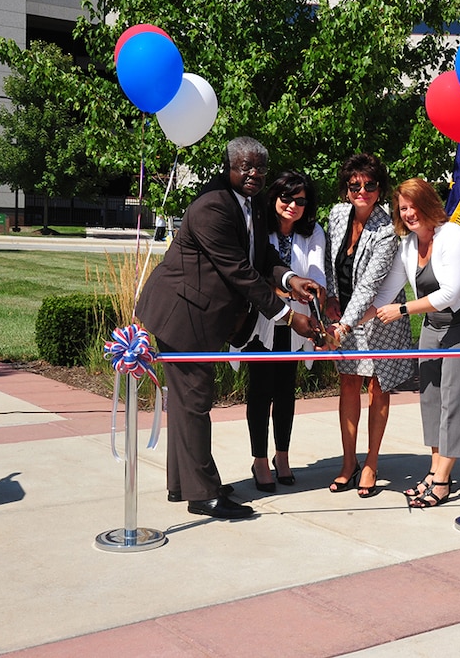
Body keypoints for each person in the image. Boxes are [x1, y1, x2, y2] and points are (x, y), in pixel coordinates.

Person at [136, 137, 322, 520]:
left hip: (196, 314)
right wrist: (290, 317)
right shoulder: (212, 207)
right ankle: (202, 494)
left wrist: (289, 280)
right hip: (181, 313)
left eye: (260, 169)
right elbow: (240, 272)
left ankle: (183, 483)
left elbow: (261, 255)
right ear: (230, 167)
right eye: (246, 168)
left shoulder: (249, 202)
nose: (254, 175)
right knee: (195, 401)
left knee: (189, 404)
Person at [366, 178, 460, 508]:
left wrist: (403, 309)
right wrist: (349, 322)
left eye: (413, 205)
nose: (408, 213)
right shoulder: (408, 245)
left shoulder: (453, 235)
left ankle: (444, 480)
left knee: (455, 399)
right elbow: (385, 294)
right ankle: (434, 470)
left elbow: (449, 293)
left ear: (428, 203)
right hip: (434, 327)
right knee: (431, 398)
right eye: (402, 208)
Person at [324, 154, 414, 498]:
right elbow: (332, 262)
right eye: (355, 185)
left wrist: (344, 326)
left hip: (377, 319)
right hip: (343, 316)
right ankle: (349, 463)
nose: (362, 190)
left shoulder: (387, 230)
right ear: (346, 189)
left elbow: (369, 286)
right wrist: (331, 297)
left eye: (370, 185)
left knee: (378, 389)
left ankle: (372, 462)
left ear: (380, 189)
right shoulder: (336, 215)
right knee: (348, 386)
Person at [238, 172, 326, 492]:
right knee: (260, 391)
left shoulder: (313, 232)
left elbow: (316, 274)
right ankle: (260, 459)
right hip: (261, 321)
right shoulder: (259, 228)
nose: (292, 206)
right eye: (286, 198)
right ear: (274, 197)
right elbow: (254, 273)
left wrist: (313, 300)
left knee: (286, 392)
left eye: (300, 201)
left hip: (297, 323)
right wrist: (286, 293)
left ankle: (282, 456)